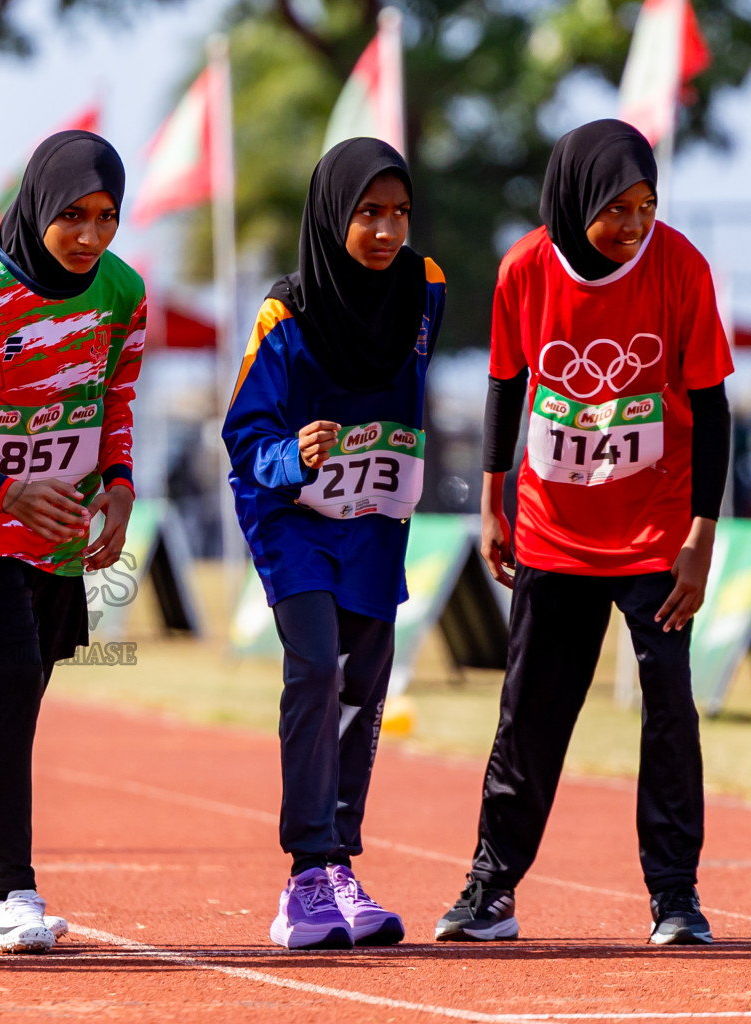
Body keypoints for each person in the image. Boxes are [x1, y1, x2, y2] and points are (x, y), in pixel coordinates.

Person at [435, 119, 732, 946]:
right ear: (574, 201)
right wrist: (491, 503)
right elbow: (504, 384)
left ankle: (676, 898)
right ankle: (491, 890)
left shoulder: (681, 267)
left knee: (669, 706)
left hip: (655, 532)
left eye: (647, 205)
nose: (634, 226)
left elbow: (711, 409)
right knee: (529, 709)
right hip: (554, 530)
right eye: (616, 209)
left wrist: (702, 534)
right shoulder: (526, 267)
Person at [0, 130, 145, 953]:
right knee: (12, 673)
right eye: (72, 217)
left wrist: (117, 490)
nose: (89, 237)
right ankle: (13, 884)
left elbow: (118, 400)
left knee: (17, 693)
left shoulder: (123, 293)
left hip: (60, 526)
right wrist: (11, 489)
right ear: (38, 207)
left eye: (106, 217)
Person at [223, 138, 444, 950]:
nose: (386, 230)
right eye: (367, 213)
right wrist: (297, 454)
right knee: (316, 665)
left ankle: (342, 861)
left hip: (376, 511)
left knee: (367, 681)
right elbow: (244, 434)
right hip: (292, 512)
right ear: (332, 215)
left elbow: (409, 384)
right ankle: (305, 877)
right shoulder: (287, 312)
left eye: (399, 214)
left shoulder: (426, 290)